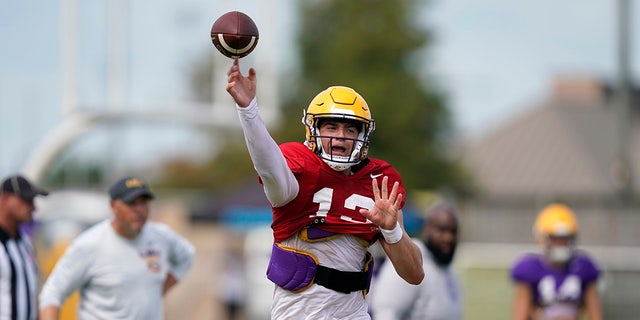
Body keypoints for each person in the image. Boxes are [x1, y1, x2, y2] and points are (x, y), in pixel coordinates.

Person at [225, 59, 424, 319]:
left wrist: (392, 230)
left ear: (362, 136)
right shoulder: (296, 169)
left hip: (354, 313)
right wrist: (248, 111)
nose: (340, 135)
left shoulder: (378, 182)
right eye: (331, 126)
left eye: (350, 128)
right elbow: (267, 162)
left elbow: (415, 274)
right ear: (313, 130)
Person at [39, 176, 195, 320]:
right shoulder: (89, 245)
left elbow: (187, 255)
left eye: (143, 203)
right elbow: (53, 292)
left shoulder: (161, 236)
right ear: (113, 206)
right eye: (132, 203)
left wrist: (161, 288)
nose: (139, 209)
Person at [370, 202, 463, 320]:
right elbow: (386, 312)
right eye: (442, 230)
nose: (448, 237)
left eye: (453, 232)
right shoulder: (410, 263)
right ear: (426, 228)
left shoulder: (449, 269)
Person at [510, 203, 602, 320]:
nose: (561, 244)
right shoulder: (530, 268)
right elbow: (520, 314)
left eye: (565, 239)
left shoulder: (583, 267)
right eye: (555, 239)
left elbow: (595, 314)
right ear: (542, 240)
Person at [0, 174, 49, 320]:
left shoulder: (25, 242)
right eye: (26, 200)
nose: (33, 207)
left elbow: (32, 293)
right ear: (5, 199)